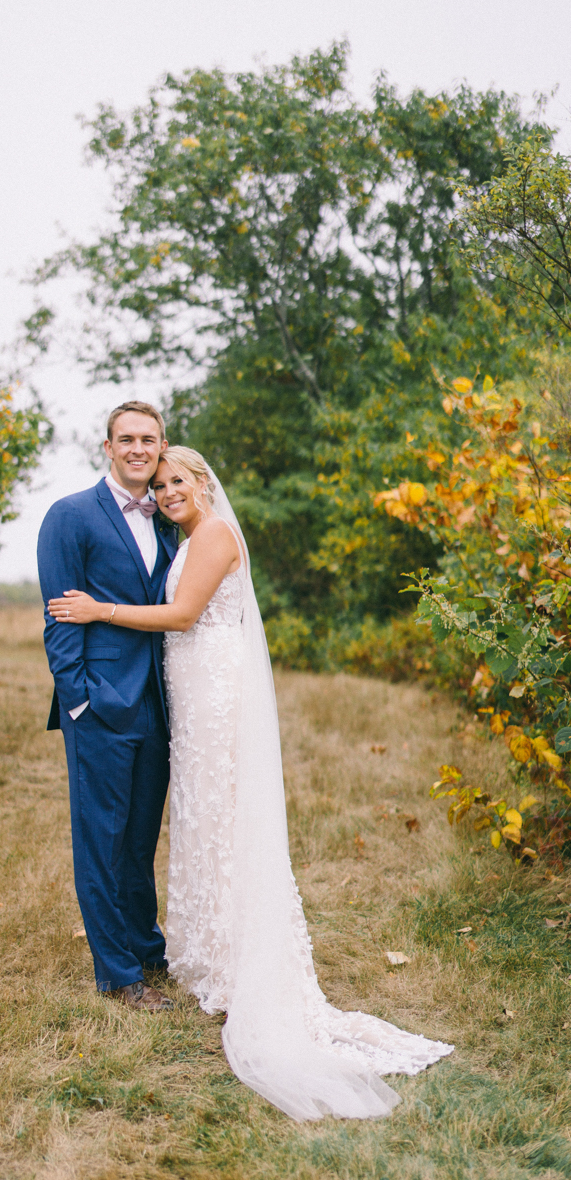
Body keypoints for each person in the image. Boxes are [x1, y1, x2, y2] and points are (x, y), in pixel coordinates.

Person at [48, 445, 454, 1122]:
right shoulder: (189, 534)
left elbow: (180, 617)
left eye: (180, 479)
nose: (170, 489)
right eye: (163, 482)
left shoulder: (212, 535)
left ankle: (244, 963)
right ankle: (216, 954)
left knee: (225, 818)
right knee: (208, 820)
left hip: (214, 692)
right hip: (195, 690)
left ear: (203, 483)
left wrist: (98, 611)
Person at [37, 402, 178, 1012]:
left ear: (162, 446)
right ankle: (119, 975)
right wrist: (79, 704)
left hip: (160, 704)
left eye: (149, 439)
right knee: (103, 838)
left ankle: (147, 949)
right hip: (100, 706)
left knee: (142, 836)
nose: (138, 449)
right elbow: (59, 620)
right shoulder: (69, 516)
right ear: (108, 447)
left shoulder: (171, 518)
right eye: (127, 439)